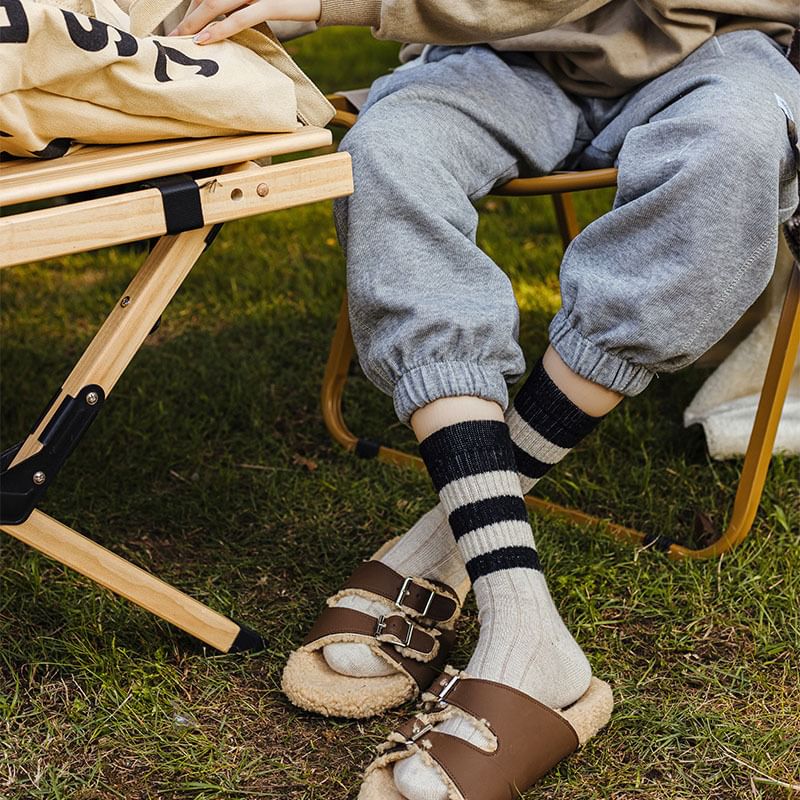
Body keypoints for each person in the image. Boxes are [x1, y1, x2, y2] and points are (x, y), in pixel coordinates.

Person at [175, 3, 799, 798]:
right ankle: (521, 614)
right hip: (508, 46)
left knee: (733, 151)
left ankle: (442, 549)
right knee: (389, 149)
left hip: (725, 53)